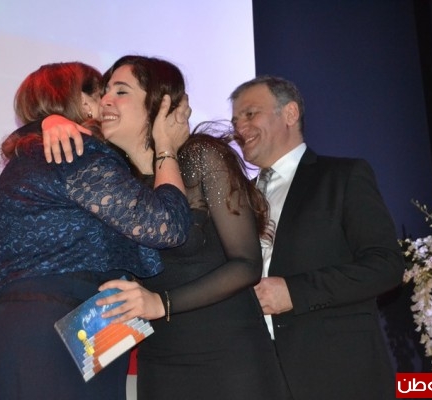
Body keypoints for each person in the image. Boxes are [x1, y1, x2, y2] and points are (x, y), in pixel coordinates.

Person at [42, 56, 282, 400]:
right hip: (159, 363)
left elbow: (246, 264)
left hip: (229, 356)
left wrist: (161, 303)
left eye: (121, 91)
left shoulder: (200, 156)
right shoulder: (112, 181)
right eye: (105, 92)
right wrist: (50, 121)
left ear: (158, 103)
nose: (106, 100)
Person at [0, 61, 192, 400]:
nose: (107, 102)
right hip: (59, 336)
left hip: (27, 334)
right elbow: (166, 226)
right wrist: (166, 147)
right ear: (85, 102)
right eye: (102, 92)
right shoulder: (74, 150)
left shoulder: (31, 156)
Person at [229, 75, 405, 400]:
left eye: (250, 114)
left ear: (290, 113)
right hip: (256, 371)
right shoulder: (237, 199)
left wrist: (294, 292)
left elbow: (386, 266)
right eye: (235, 120)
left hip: (335, 372)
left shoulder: (342, 177)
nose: (239, 128)